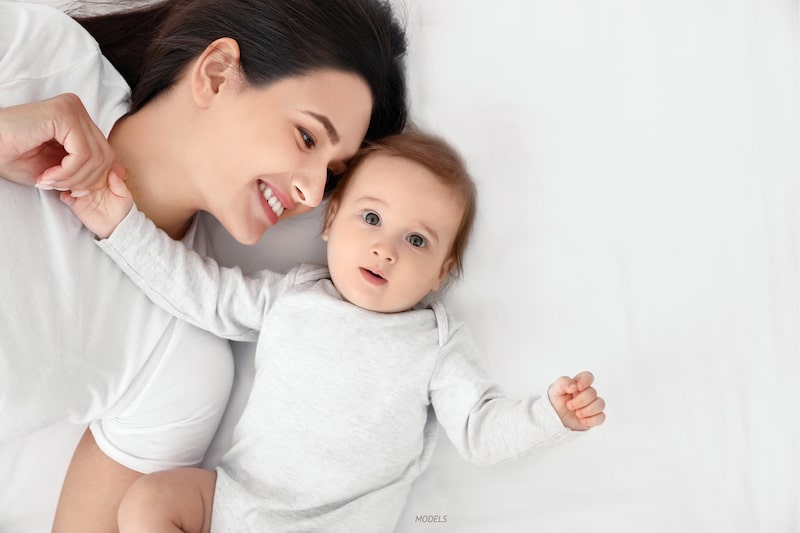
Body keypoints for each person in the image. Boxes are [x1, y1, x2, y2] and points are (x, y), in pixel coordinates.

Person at [62, 130, 607, 532]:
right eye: (370, 218)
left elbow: (482, 431)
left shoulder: (435, 344)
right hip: (232, 506)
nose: (385, 248)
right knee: (148, 503)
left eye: (417, 241)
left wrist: (548, 416)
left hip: (339, 523)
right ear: (330, 223)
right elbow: (201, 292)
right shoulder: (292, 296)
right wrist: (122, 227)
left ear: (442, 272)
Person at [0, 1, 407, 531]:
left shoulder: (177, 361)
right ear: (216, 75)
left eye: (331, 173)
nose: (312, 192)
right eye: (307, 137)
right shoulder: (38, 56)